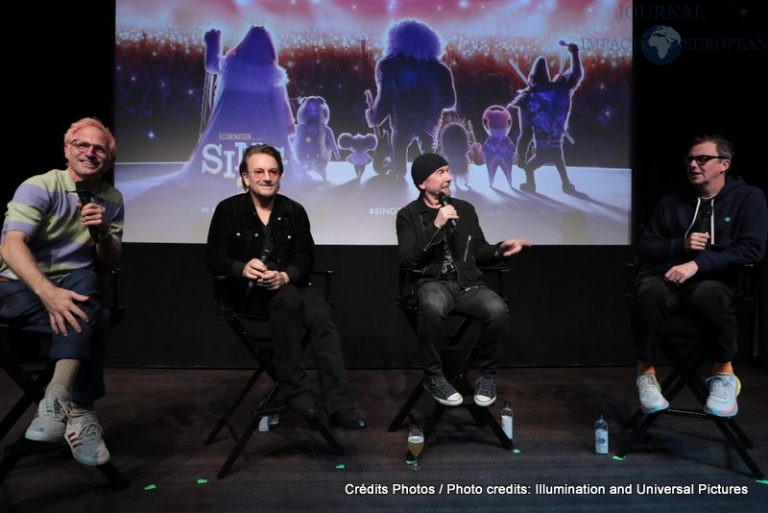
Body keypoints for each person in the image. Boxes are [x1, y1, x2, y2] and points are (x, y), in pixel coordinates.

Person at [205, 144, 365, 429]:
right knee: (288, 300)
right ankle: (296, 392)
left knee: (321, 315)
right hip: (248, 296)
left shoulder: (294, 211)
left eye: (273, 171)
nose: (267, 177)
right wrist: (242, 268)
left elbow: (305, 256)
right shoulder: (227, 210)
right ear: (245, 177)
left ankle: (340, 404)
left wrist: (285, 276)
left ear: (280, 175)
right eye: (259, 171)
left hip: (291, 287)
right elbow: (214, 259)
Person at [0, 118, 124, 466]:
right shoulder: (39, 186)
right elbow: (11, 247)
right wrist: (47, 292)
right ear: (67, 150)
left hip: (73, 289)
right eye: (82, 145)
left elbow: (109, 260)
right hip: (17, 288)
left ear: (109, 159)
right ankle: (80, 409)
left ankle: (55, 402)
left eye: (99, 149)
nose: (90, 152)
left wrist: (101, 232)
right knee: (96, 316)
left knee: (87, 282)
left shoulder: (111, 198)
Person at [631, 135, 768, 417]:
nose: (694, 164)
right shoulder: (672, 202)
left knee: (710, 294)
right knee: (647, 291)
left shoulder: (748, 198)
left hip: (717, 282)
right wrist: (680, 245)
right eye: (690, 159)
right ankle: (645, 375)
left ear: (724, 164)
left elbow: (751, 249)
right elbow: (646, 248)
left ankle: (724, 376)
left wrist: (699, 264)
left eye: (702, 159)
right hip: (668, 280)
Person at [396, 153, 531, 407]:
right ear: (422, 183)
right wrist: (436, 225)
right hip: (431, 283)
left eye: (448, 170)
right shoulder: (408, 215)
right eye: (440, 172)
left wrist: (501, 249)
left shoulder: (465, 209)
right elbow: (409, 259)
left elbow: (479, 252)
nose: (448, 177)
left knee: (498, 310)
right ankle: (434, 376)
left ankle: (487, 376)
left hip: (466, 285)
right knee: (433, 308)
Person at [510, 42, 583, 193]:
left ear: (531, 77)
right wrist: (575, 53)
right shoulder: (561, 89)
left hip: (541, 150)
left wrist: (521, 156)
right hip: (557, 146)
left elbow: (526, 134)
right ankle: (566, 185)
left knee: (529, 167)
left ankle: (531, 185)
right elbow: (576, 74)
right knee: (559, 162)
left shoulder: (527, 98)